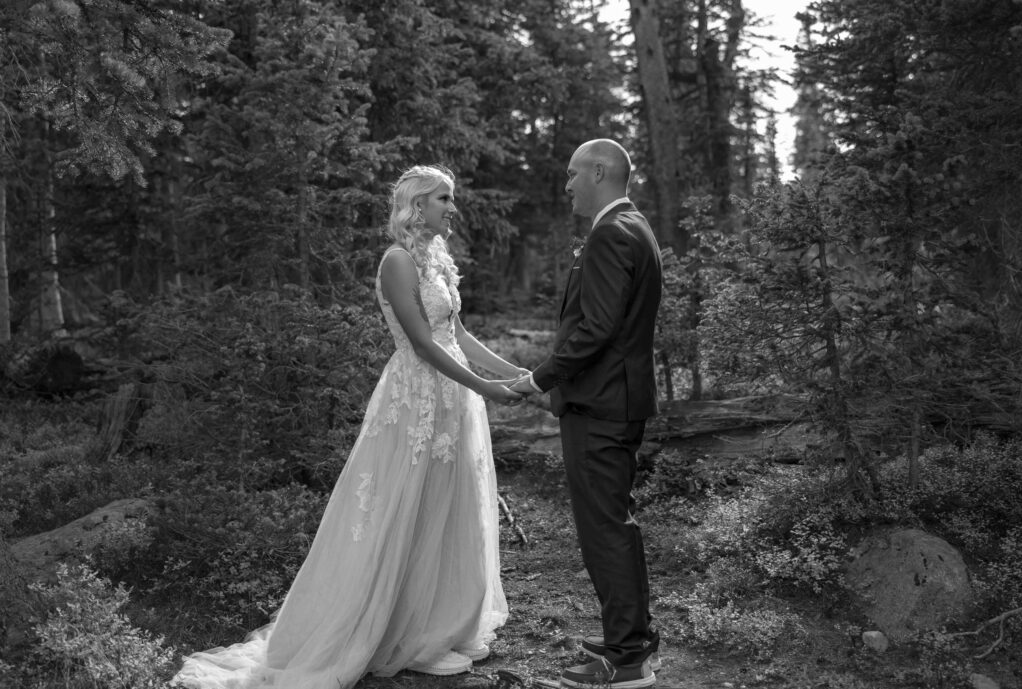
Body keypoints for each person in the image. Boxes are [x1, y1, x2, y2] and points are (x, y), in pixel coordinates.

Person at [173, 164, 526, 689]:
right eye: (444, 199)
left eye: (452, 199)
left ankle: (434, 627)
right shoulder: (397, 262)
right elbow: (425, 347)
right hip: (416, 401)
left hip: (455, 402)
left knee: (447, 507)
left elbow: (458, 335)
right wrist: (487, 388)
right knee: (402, 509)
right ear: (416, 206)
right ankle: (394, 634)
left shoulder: (437, 256)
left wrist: (512, 373)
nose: (453, 207)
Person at [510, 139, 663, 689]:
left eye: (573, 174)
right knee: (613, 523)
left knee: (605, 529)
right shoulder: (635, 227)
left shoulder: (610, 234)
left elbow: (596, 329)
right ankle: (631, 638)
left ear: (600, 171)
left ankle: (625, 659)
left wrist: (538, 378)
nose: (567, 184)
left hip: (600, 405)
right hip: (615, 402)